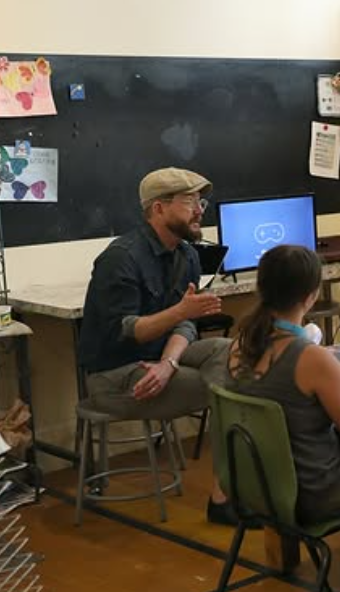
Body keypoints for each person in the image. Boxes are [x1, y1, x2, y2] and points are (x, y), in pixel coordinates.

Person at [78, 167, 235, 524]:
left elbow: (184, 323)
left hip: (157, 361)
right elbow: (127, 330)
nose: (199, 211)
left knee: (229, 352)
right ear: (159, 208)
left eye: (201, 203)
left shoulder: (187, 255)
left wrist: (168, 364)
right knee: (232, 387)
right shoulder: (121, 258)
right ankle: (225, 496)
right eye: (190, 202)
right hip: (115, 376)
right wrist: (182, 311)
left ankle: (225, 488)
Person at [223, 245, 340, 525]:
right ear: (311, 296)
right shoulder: (311, 358)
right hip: (315, 494)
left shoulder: (237, 346)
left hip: (259, 489)